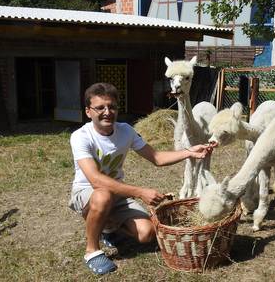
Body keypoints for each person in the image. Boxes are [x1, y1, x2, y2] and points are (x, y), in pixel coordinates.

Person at [68, 82, 212, 275]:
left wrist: (189, 152)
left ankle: (107, 228)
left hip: (116, 194)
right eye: (100, 108)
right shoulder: (81, 136)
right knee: (102, 196)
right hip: (88, 193)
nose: (107, 112)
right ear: (88, 111)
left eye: (112, 106)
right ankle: (92, 250)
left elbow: (157, 157)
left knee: (147, 233)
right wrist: (140, 193)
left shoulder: (126, 130)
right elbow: (96, 180)